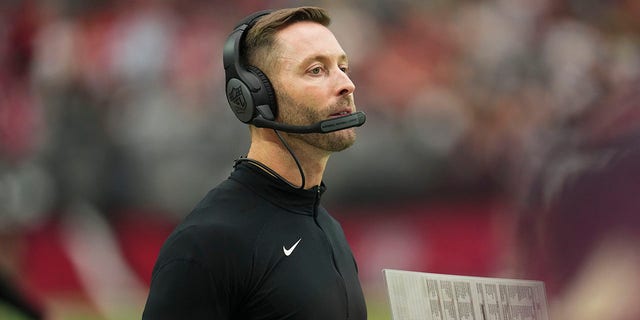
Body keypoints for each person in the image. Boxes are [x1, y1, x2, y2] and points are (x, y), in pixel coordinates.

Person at [142, 7, 367, 319]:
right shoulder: (208, 243)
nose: (346, 84)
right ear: (255, 95)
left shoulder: (327, 229)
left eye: (343, 67)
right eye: (316, 70)